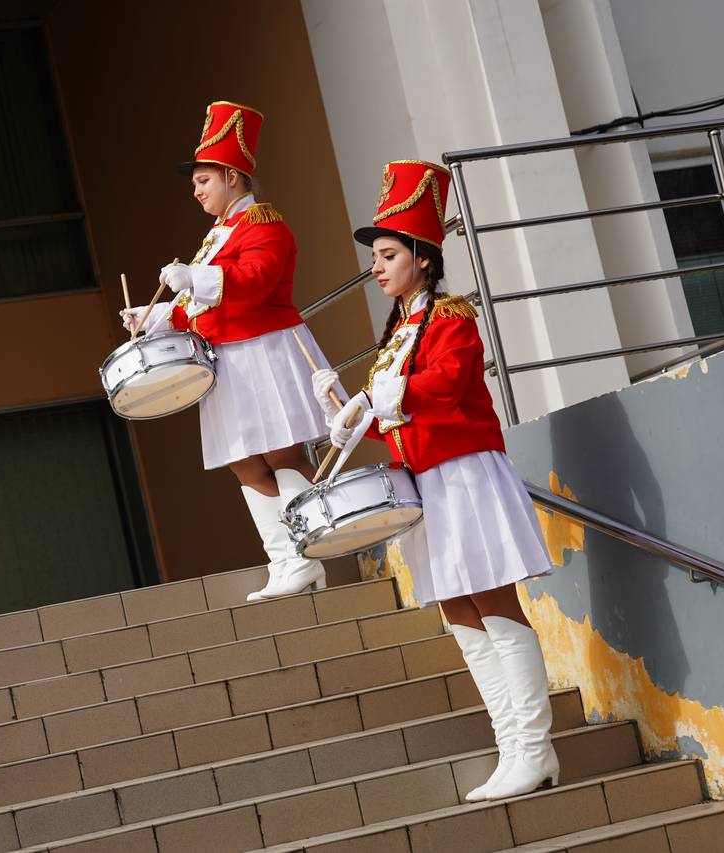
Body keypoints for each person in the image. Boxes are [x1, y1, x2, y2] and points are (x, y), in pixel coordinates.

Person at [311, 160, 556, 801]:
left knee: (495, 606)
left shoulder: (452, 317)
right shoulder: (398, 330)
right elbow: (393, 418)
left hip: (466, 476)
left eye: (388, 255)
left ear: (423, 257)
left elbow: (445, 384)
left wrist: (388, 395)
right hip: (426, 483)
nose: (377, 267)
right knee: (459, 613)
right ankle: (514, 750)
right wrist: (345, 408)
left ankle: (535, 748)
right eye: (376, 257)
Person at [120, 101, 343, 601]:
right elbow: (198, 305)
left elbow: (257, 282)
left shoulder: (265, 224)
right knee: (243, 461)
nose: (196, 191)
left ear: (232, 176)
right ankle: (286, 559)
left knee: (281, 453)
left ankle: (310, 552)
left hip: (262, 351)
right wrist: (154, 316)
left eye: (204, 180)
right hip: (229, 358)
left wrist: (194, 278)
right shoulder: (219, 234)